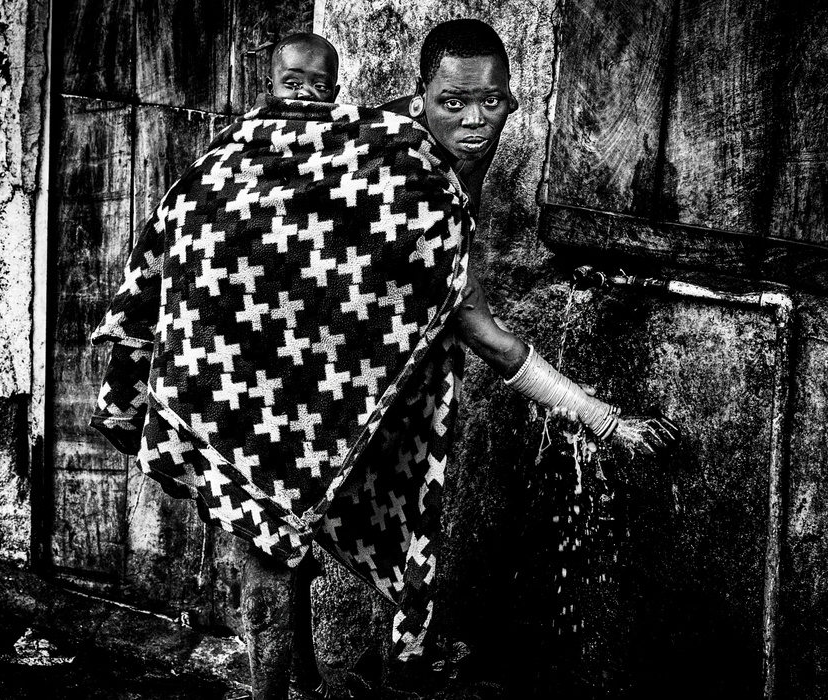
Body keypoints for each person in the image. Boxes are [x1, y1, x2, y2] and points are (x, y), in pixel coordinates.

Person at [88, 22, 677, 700]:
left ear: (511, 102)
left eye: (489, 101)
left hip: (313, 367)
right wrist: (600, 419)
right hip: (242, 361)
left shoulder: (447, 168)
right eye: (452, 101)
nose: (474, 118)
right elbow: (478, 328)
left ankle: (306, 683)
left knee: (297, 535)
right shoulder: (397, 165)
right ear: (419, 96)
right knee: (270, 550)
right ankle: (276, 690)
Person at [266, 33, 342, 103]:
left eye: (320, 86)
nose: (305, 94)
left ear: (334, 94)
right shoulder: (257, 115)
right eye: (293, 84)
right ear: (271, 88)